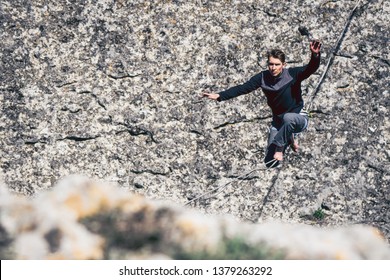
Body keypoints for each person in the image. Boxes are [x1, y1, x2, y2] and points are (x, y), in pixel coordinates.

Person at [203, 40, 322, 164]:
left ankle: (281, 147)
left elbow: (311, 68)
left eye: (277, 64)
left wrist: (315, 55)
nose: (273, 68)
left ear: (283, 64)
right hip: (279, 122)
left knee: (288, 118)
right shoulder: (263, 78)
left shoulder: (292, 74)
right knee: (270, 162)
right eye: (271, 64)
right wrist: (219, 96)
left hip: (298, 117)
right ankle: (288, 137)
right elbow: (242, 88)